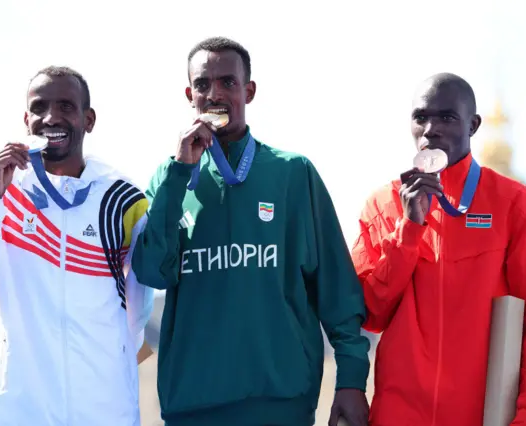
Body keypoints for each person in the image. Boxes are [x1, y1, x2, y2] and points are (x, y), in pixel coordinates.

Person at [131, 37, 371, 426]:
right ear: (190, 94)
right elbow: (152, 271)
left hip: (280, 402)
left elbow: (337, 289)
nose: (215, 95)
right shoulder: (170, 175)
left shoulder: (293, 173)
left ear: (249, 91)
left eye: (228, 82)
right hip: (193, 404)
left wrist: (352, 380)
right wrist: (179, 172)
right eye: (203, 85)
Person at [0, 66, 154, 426]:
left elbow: (139, 309)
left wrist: (110, 361)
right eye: (39, 107)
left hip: (103, 410)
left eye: (65, 106)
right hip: (18, 410)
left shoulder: (123, 197)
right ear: (25, 119)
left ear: (88, 119)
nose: (51, 117)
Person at [351, 72, 526, 426]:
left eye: (446, 117)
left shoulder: (513, 205)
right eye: (421, 117)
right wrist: (409, 230)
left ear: (473, 125)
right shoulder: (381, 205)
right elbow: (371, 312)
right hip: (398, 415)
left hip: (483, 415)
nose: (431, 128)